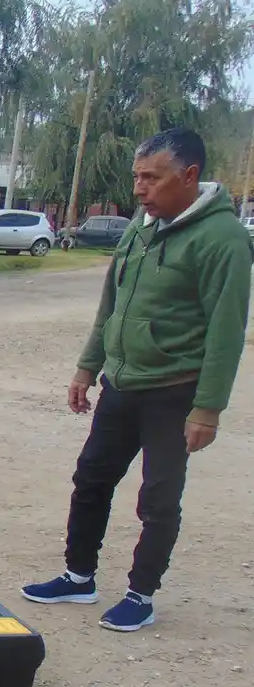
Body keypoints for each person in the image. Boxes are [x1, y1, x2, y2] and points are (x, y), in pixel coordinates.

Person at [21, 127, 250, 632]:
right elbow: (112, 305)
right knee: (91, 480)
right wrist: (87, 365)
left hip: (173, 392)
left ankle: (140, 595)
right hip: (120, 385)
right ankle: (78, 576)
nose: (140, 189)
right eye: (136, 177)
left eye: (153, 177)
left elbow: (226, 331)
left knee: (158, 499)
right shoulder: (141, 227)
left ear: (189, 176)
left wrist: (207, 408)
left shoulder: (223, 240)